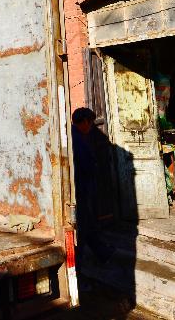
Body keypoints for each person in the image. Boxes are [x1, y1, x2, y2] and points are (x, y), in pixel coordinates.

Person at [71, 107, 115, 278]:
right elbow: (85, 166)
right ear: (84, 122)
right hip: (81, 191)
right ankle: (78, 271)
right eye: (90, 123)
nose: (91, 127)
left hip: (83, 190)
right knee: (82, 230)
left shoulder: (78, 136)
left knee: (88, 226)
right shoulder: (78, 139)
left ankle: (103, 253)